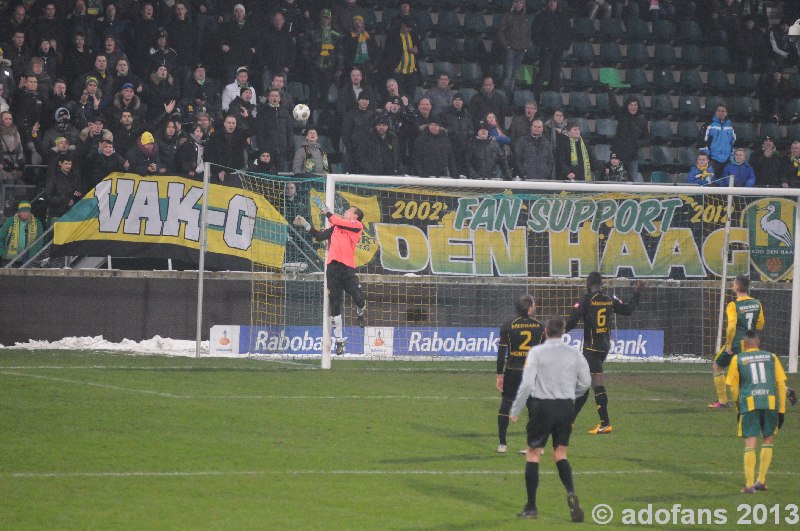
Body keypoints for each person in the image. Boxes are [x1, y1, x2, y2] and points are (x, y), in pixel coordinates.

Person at [509, 317, 590, 522]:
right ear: (563, 332)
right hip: (565, 407)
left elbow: (527, 385)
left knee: (534, 453)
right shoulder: (574, 353)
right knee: (560, 453)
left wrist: (516, 409)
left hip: (542, 406)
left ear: (545, 331)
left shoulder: (536, 352)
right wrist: (572, 395)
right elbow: (586, 382)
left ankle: (531, 507)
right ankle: (570, 491)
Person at [566, 272, 644, 433]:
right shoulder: (610, 300)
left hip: (592, 347)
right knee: (585, 383)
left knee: (594, 383)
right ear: (600, 284)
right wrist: (636, 293)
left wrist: (555, 334)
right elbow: (628, 310)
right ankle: (570, 420)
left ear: (588, 284)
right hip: (604, 347)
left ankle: (604, 423)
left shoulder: (586, 300)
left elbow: (572, 321)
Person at [293, 201, 367, 355]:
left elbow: (337, 220)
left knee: (358, 297)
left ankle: (360, 313)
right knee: (335, 303)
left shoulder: (357, 226)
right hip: (333, 268)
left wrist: (326, 211)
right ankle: (339, 341)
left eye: (349, 210)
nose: (346, 211)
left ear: (355, 216)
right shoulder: (335, 226)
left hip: (347, 269)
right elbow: (320, 236)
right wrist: (306, 224)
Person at [725, 331, 788, 493]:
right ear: (758, 342)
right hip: (770, 403)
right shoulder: (771, 357)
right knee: (768, 440)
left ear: (744, 345)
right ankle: (761, 481)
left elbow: (732, 387)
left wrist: (739, 406)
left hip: (750, 405)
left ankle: (749, 485)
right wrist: (782, 411)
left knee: (751, 441)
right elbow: (781, 385)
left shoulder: (738, 359)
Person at [496, 294, 545, 454]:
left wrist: (499, 374)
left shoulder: (508, 326)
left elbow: (501, 353)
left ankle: (502, 444)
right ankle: (535, 445)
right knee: (533, 408)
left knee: (506, 404)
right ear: (530, 308)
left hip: (513, 372)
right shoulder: (540, 326)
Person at [709, 275, 764, 409]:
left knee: (717, 365)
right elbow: (761, 324)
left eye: (733, 283)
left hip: (737, 342)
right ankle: (784, 390)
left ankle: (723, 402)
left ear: (737, 287)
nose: (732, 286)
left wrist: (729, 344)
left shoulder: (734, 305)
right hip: (752, 341)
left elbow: (732, 326)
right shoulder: (757, 303)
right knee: (753, 371)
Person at [531, 0, 572, 98]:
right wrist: (544, 46)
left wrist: (565, 46)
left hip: (558, 50)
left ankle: (554, 98)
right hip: (547, 50)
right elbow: (536, 33)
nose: (552, 4)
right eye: (551, 2)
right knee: (543, 74)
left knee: (556, 75)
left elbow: (569, 32)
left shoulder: (563, 17)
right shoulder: (541, 16)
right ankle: (535, 98)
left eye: (554, 2)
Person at [608, 92, 648, 182]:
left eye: (635, 105)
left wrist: (637, 143)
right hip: (618, 155)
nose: (633, 107)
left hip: (632, 157)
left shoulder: (642, 120)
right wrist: (609, 90)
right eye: (631, 105)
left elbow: (647, 139)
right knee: (616, 180)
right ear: (627, 106)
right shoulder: (622, 116)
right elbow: (614, 105)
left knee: (632, 181)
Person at [497, 0, 532, 97]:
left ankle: (508, 96)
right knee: (508, 74)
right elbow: (500, 31)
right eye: (516, 2)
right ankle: (500, 96)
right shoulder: (507, 16)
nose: (518, 5)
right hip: (510, 49)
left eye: (520, 2)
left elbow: (529, 33)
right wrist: (506, 46)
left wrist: (526, 46)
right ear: (513, 3)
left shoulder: (525, 17)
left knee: (514, 75)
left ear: (523, 4)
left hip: (521, 50)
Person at [0, 200, 43, 265]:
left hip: (28, 258)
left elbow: (40, 239)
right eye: (24, 211)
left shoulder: (37, 223)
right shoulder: (10, 222)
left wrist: (35, 252)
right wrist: (2, 253)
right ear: (19, 213)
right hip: (9, 258)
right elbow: (1, 238)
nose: (27, 214)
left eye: (28, 211)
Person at [703, 104, 736, 178]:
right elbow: (702, 142)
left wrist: (731, 155)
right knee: (710, 181)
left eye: (723, 111)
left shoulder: (730, 127)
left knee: (726, 182)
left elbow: (733, 142)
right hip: (712, 159)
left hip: (727, 160)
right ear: (715, 112)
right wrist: (708, 155)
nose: (721, 112)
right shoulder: (709, 125)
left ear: (726, 113)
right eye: (719, 111)